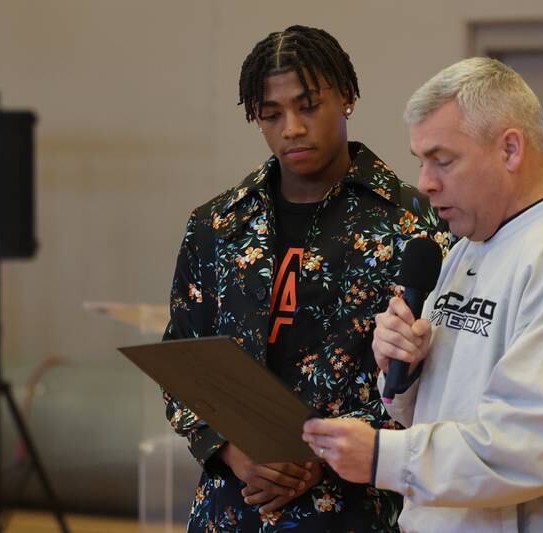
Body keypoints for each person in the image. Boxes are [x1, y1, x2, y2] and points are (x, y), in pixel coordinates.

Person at [302, 57, 543, 532]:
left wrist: (381, 457)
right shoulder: (469, 246)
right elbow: (448, 412)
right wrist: (406, 373)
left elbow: (533, 444)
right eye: (421, 162)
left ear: (510, 148)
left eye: (443, 160)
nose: (426, 182)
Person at [162, 25, 450, 532]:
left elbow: (440, 376)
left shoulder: (416, 222)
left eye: (308, 106)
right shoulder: (217, 224)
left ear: (348, 97)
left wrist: (317, 457)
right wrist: (231, 451)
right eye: (271, 115)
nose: (291, 127)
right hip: (232, 509)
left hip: (354, 509)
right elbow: (183, 363)